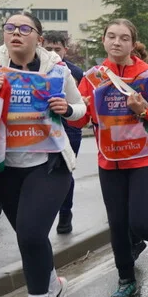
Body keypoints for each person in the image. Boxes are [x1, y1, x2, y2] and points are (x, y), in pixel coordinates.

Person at [0, 13, 85, 297]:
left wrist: (67, 109)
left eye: (24, 29)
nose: (16, 33)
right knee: (30, 238)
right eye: (9, 28)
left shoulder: (57, 70)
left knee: (32, 234)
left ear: (39, 38)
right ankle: (53, 286)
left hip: (49, 164)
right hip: (5, 167)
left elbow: (81, 109)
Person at [78, 19, 148, 297]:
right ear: (103, 40)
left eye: (124, 38)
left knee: (139, 222)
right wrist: (76, 109)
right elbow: (79, 121)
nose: (117, 42)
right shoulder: (92, 77)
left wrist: (143, 110)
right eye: (111, 36)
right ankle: (126, 280)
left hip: (145, 158)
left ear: (133, 44)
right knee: (118, 224)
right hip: (110, 161)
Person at [42, 30, 85, 235]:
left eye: (57, 49)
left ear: (65, 50)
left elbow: (81, 102)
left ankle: (65, 213)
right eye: (48, 48)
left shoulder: (74, 72)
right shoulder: (35, 69)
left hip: (70, 128)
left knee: (65, 172)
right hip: (43, 129)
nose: (53, 53)